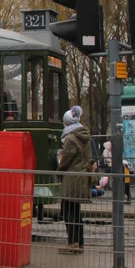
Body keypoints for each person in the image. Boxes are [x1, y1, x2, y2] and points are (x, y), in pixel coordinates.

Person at [57, 105, 92, 254]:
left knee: (68, 211)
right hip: (81, 176)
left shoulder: (70, 139)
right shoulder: (83, 135)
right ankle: (79, 242)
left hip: (72, 178)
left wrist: (59, 167)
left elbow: (65, 160)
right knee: (76, 211)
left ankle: (73, 243)